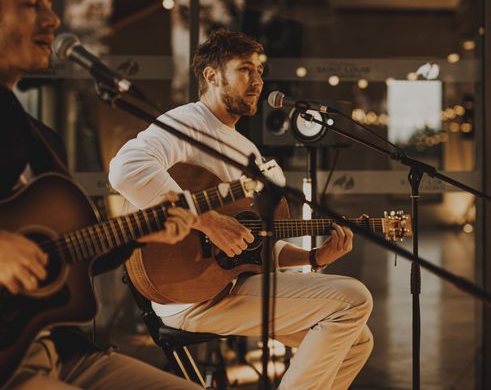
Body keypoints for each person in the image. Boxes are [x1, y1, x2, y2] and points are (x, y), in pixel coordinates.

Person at [109, 29, 374, 389]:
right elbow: (127, 169)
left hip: (234, 286)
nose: (257, 81)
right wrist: (207, 222)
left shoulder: (253, 156)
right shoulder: (188, 123)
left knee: (358, 341)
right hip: (190, 295)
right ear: (212, 75)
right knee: (354, 299)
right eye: (245, 69)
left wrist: (314, 259)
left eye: (260, 72)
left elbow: (257, 249)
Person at [0, 0, 201, 389]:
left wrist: (138, 231)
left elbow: (70, 252)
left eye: (50, 6)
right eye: (31, 4)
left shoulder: (40, 138)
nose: (52, 21)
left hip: (58, 349)